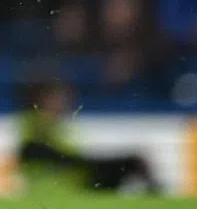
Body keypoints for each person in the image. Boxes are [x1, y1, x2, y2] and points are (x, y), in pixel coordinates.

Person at [18, 79, 160, 194]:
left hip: (76, 177)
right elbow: (46, 154)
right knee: (130, 163)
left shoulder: (60, 125)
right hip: (66, 187)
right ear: (41, 99)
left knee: (129, 164)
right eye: (58, 97)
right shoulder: (36, 122)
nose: (64, 101)